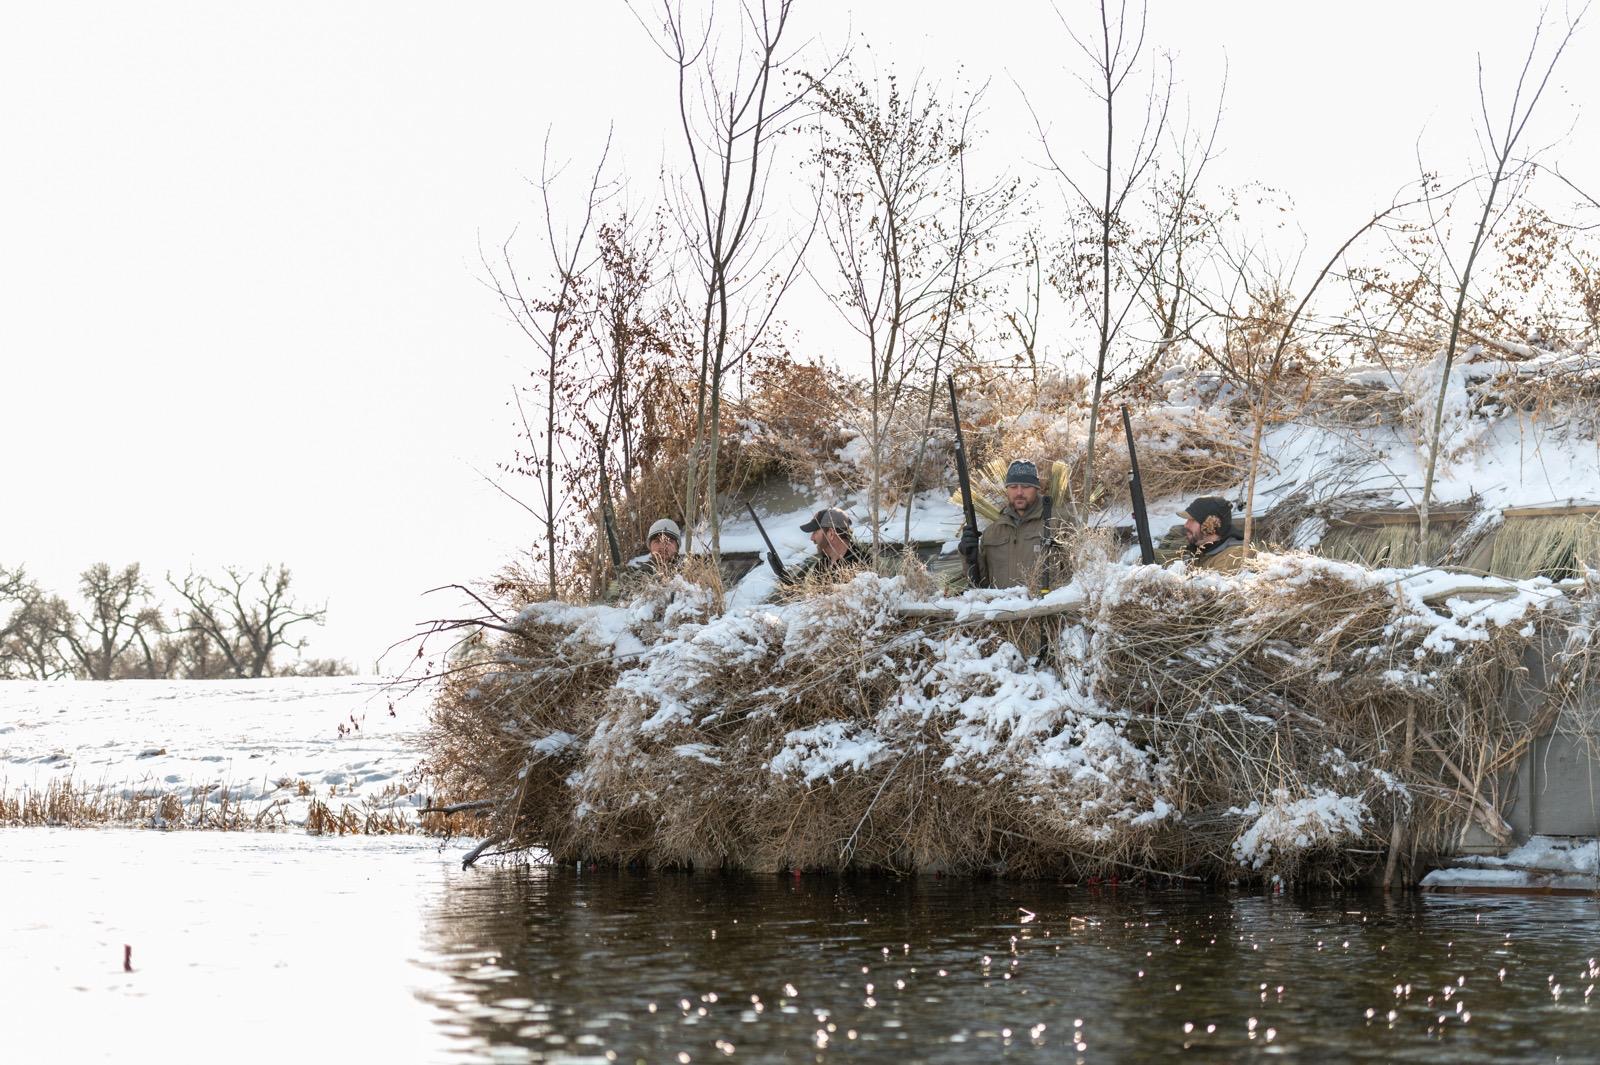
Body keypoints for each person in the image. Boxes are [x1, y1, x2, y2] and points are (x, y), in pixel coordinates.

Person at [959, 460, 1054, 592]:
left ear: (1037, 488)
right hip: (1002, 604)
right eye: (1013, 486)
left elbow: (1075, 575)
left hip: (1045, 604)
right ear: (1007, 490)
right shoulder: (992, 533)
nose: (1019, 492)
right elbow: (982, 584)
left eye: (1026, 486)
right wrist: (969, 556)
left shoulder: (1057, 523)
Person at [780, 507, 868, 585]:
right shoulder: (822, 565)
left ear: (831, 533)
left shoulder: (862, 565)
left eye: (815, 532)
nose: (811, 538)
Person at [608, 518, 684, 600]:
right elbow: (612, 602)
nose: (663, 546)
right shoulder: (635, 576)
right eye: (657, 541)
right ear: (650, 546)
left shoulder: (689, 571)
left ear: (677, 547)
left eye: (669, 541)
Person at [1178, 496, 1246, 572]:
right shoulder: (1198, 548)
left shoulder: (1233, 556)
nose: (1186, 525)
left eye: (1193, 520)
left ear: (1211, 526)